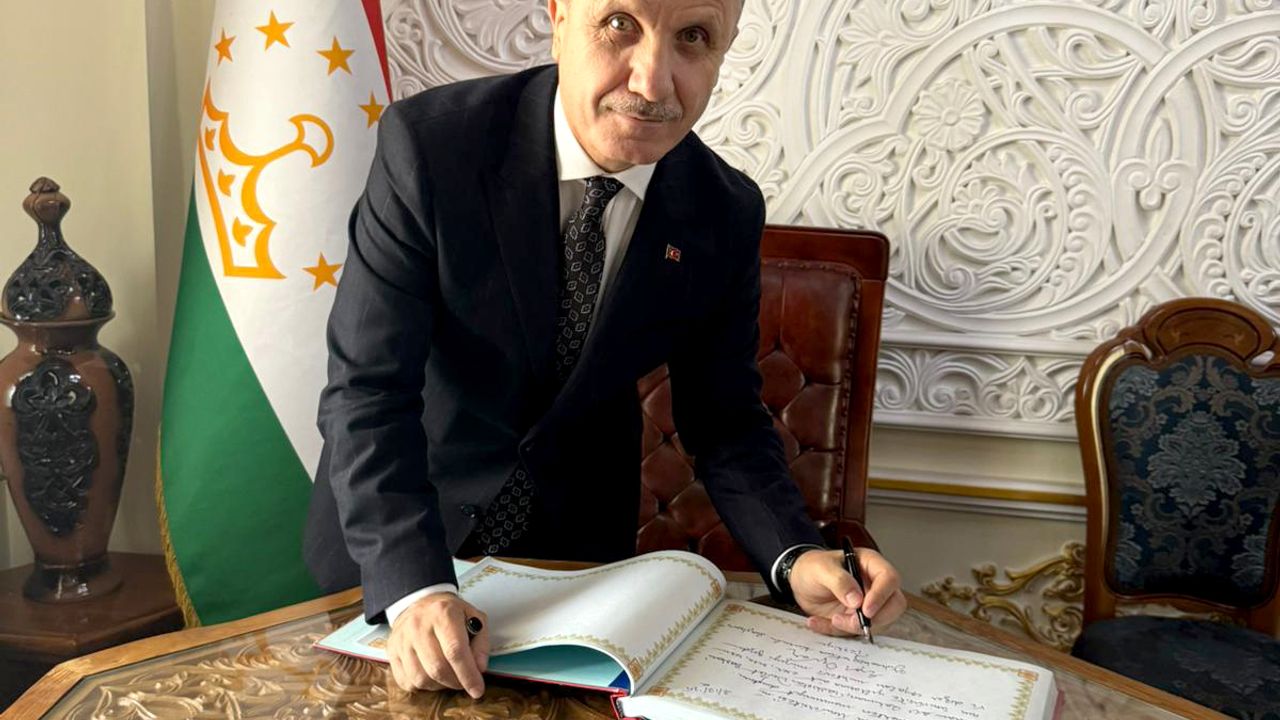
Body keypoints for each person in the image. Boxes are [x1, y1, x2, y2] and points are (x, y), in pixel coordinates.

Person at [304, 0, 907, 699]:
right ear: (560, 16)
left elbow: (726, 422)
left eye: (693, 37)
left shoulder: (723, 210)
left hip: (578, 581)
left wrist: (797, 555)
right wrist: (416, 589)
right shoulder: (432, 146)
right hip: (394, 557)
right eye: (621, 24)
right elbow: (368, 390)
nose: (652, 82)